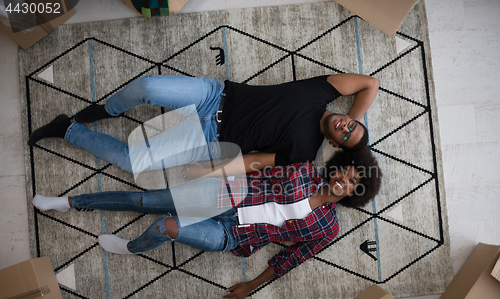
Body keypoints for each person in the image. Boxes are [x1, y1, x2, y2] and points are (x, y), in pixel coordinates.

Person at [32, 148, 382, 299]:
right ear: (338, 168)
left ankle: (130, 247)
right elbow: (254, 170)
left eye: (353, 184)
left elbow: (292, 259)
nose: (344, 182)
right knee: (145, 201)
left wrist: (250, 286)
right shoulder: (304, 170)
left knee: (164, 226)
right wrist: (207, 173)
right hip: (222, 196)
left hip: (233, 236)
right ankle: (69, 202)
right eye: (346, 173)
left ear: (354, 194)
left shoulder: (327, 228)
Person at [27, 74, 380, 174]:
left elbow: (252, 162)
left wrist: (208, 170)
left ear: (335, 145)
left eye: (345, 136)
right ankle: (112, 109)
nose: (344, 127)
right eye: (349, 125)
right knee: (147, 87)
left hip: (208, 136)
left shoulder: (304, 151)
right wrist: (356, 122)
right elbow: (370, 84)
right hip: (214, 96)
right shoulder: (322, 92)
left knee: (133, 162)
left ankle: (67, 130)